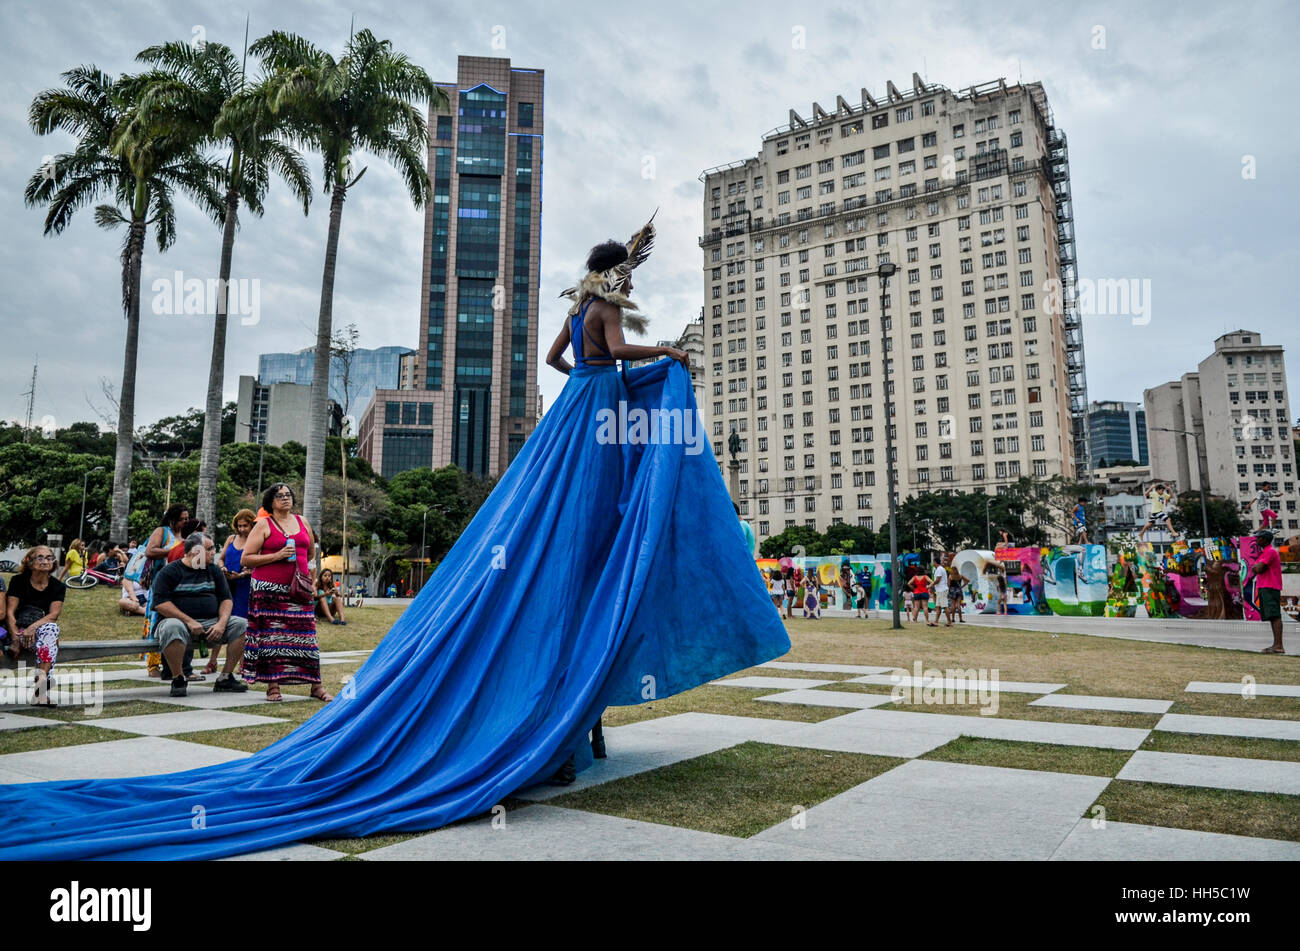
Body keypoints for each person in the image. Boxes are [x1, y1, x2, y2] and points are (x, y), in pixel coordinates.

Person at [0, 215, 791, 860]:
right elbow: (614, 355)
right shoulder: (608, 309)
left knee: (553, 547)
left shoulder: (574, 307)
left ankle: (567, 716)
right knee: (581, 547)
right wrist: (668, 353)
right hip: (593, 429)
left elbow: (561, 359)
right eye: (627, 278)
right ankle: (561, 718)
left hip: (571, 420)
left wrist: (604, 350)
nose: (626, 289)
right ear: (616, 276)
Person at [241, 484, 330, 702]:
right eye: (279, 496)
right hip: (268, 590)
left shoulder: (302, 521)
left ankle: (315, 686)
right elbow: (246, 558)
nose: (285, 498)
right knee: (273, 640)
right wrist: (278, 555)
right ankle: (273, 686)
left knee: (307, 637)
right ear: (270, 502)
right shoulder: (263, 524)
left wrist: (305, 573)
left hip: (298, 590)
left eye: (288, 495)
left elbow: (309, 552)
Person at [149, 532, 249, 697]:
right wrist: (188, 621)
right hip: (177, 622)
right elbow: (160, 604)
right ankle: (178, 678)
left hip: (211, 622)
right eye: (209, 549)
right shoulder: (169, 572)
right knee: (172, 627)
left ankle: (225, 678)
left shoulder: (214, 570)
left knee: (242, 624)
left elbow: (226, 600)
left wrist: (221, 623)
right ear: (195, 552)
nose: (213, 552)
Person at [3, 546, 65, 704]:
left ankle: (40, 687)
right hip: (18, 632)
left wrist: (33, 628)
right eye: (40, 558)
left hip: (39, 635)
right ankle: (41, 693)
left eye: (49, 558)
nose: (45, 561)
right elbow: (10, 612)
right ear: (30, 562)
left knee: (50, 630)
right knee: (50, 640)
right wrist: (16, 638)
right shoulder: (18, 581)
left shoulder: (58, 586)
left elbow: (54, 615)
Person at [141, 504, 188, 677]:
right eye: (182, 519)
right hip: (162, 585)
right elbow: (150, 551)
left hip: (181, 587)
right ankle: (153, 664)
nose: (185, 522)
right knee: (156, 622)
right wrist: (173, 551)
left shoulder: (185, 535)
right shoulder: (162, 531)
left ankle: (174, 664)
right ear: (172, 519)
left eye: (186, 519)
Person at [208, 509, 256, 674]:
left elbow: (256, 565)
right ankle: (212, 661)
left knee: (241, 624)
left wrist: (243, 574)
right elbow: (221, 558)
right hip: (227, 583)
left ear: (252, 525)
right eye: (240, 526)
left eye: (246, 526)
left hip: (244, 584)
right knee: (221, 620)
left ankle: (242, 664)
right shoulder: (231, 539)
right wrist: (222, 567)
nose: (242, 529)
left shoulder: (255, 541)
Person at [1247, 529, 1286, 654]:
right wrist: (1255, 567)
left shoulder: (1270, 552)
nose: (1256, 540)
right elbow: (1256, 568)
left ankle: (1279, 645)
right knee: (1271, 616)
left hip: (1270, 586)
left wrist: (1255, 567)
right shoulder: (1265, 552)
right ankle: (1276, 644)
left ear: (1264, 539)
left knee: (1274, 615)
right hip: (1265, 586)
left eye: (1259, 538)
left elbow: (1258, 568)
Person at [932, 561, 950, 627]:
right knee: (938, 607)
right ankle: (936, 622)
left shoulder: (940, 569)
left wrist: (931, 585)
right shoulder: (938, 569)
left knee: (945, 606)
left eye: (933, 562)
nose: (932, 563)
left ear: (935, 562)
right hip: (939, 590)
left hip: (942, 590)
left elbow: (937, 580)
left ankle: (950, 622)